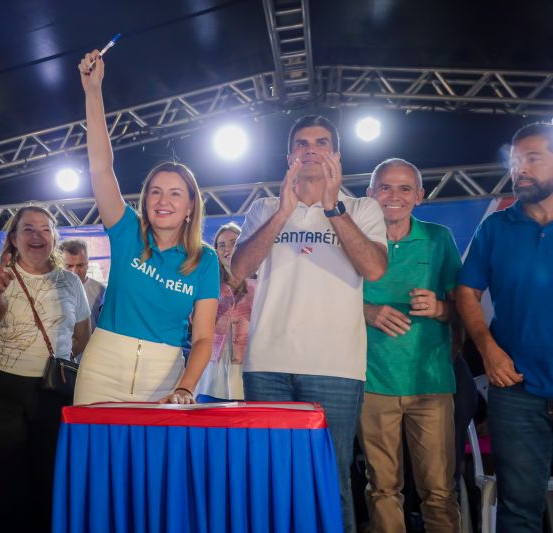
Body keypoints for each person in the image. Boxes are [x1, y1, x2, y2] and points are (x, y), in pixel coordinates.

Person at [230, 115, 387, 532]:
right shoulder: (265, 208)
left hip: (334, 368)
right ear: (289, 158)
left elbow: (374, 269)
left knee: (329, 479)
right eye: (302, 144)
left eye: (321, 143)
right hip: (267, 365)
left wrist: (333, 208)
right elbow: (239, 269)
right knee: (270, 476)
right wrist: (284, 212)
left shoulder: (362, 208)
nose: (311, 150)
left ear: (337, 155)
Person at [73, 50, 220, 405]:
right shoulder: (126, 230)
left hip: (164, 377)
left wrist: (185, 387)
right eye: (155, 191)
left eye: (175, 193)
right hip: (101, 368)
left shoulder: (205, 260)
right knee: (93, 444)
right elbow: (100, 168)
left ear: (190, 207)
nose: (162, 200)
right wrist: (93, 92)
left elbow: (203, 338)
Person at [457, 122, 553, 533]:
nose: (520, 169)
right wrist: (488, 348)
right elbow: (466, 291)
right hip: (515, 387)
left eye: (533, 158)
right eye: (515, 161)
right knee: (518, 509)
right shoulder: (495, 227)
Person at [359, 158, 461, 532]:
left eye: (405, 188)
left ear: (419, 195)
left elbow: (465, 309)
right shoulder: (354, 239)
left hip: (431, 383)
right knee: (382, 489)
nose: (394, 196)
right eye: (385, 187)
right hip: (372, 381)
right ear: (370, 194)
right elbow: (325, 303)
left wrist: (440, 308)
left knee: (439, 491)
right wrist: (367, 311)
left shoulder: (439, 238)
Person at [0, 204, 91, 532]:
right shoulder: (0, 278)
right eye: (28, 228)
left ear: (54, 237)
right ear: (13, 238)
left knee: (50, 486)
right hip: (2, 392)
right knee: (6, 489)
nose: (37, 235)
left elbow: (82, 337)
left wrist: (57, 362)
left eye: (45, 229)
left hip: (53, 393)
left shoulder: (71, 282)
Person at [195, 222, 255, 400]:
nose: (227, 248)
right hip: (212, 370)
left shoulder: (261, 284)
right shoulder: (209, 284)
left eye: (233, 242)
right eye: (221, 245)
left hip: (249, 368)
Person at [60, 238, 106, 331]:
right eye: (68, 266)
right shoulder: (50, 289)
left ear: (87, 264)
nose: (74, 272)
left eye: (80, 265)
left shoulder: (100, 290)